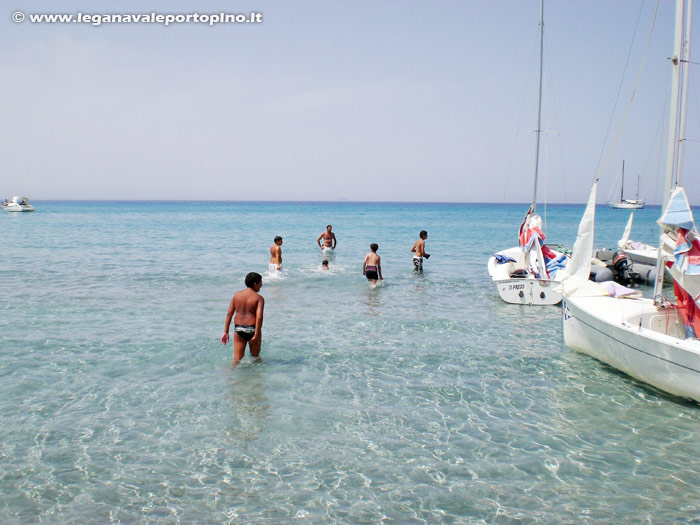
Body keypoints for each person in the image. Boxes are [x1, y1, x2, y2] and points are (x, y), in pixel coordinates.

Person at [221, 272, 265, 366]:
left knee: (236, 360)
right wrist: (256, 335)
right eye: (260, 282)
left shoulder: (237, 295)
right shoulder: (259, 298)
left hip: (238, 329)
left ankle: (231, 377)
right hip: (252, 329)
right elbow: (259, 317)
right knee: (256, 359)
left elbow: (229, 313)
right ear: (255, 284)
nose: (261, 285)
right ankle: (257, 380)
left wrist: (225, 332)